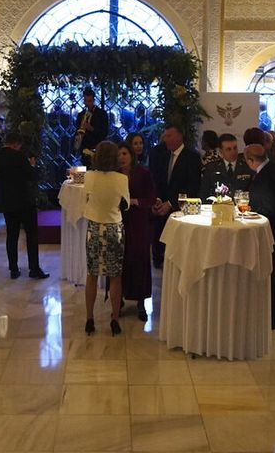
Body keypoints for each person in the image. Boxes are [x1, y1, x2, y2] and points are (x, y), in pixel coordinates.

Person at [82, 140, 131, 335]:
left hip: (94, 228)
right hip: (114, 229)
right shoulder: (121, 179)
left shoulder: (89, 176)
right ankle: (115, 319)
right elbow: (126, 204)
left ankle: (89, 318)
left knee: (92, 275)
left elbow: (86, 197)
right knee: (115, 277)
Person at [244, 143, 275, 330]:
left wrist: (250, 212)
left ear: (251, 160)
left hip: (270, 232)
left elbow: (268, 207)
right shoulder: (273, 169)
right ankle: (269, 317)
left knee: (266, 273)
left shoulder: (265, 177)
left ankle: (270, 319)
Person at [0, 132, 48, 280]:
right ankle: (34, 268)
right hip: (24, 201)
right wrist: (33, 166)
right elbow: (31, 176)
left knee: (12, 235)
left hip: (7, 202)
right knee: (31, 235)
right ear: (16, 143)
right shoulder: (20, 157)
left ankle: (13, 269)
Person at [148, 124, 201, 267]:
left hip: (179, 208)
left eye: (169, 136)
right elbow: (156, 180)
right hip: (161, 207)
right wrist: (158, 199)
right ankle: (158, 261)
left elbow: (193, 186)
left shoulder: (192, 157)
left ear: (179, 136)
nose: (165, 139)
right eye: (165, 136)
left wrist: (170, 203)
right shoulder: (162, 155)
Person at [118, 144, 157, 321]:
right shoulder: (113, 175)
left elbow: (150, 198)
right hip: (118, 221)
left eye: (125, 153)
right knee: (120, 260)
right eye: (118, 154)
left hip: (139, 221)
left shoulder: (143, 172)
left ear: (131, 156)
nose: (122, 157)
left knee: (140, 258)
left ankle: (141, 301)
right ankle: (118, 299)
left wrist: (135, 201)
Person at [74, 88, 111, 154]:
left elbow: (104, 132)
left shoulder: (101, 114)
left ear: (94, 100)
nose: (87, 103)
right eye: (85, 101)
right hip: (84, 148)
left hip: (97, 147)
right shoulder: (81, 115)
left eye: (89, 101)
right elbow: (77, 130)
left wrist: (92, 129)